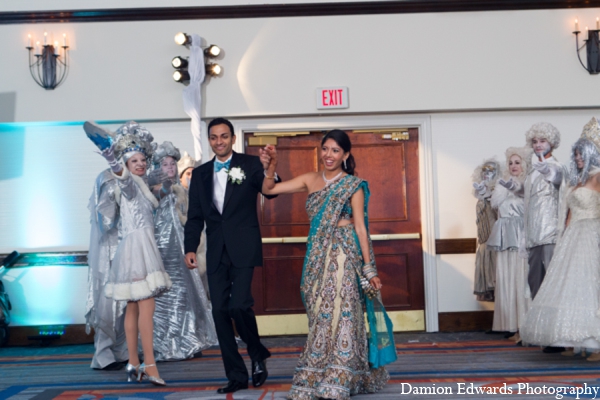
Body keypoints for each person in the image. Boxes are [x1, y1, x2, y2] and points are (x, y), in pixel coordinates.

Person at [262, 129, 396, 400]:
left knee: (343, 312)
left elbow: (360, 228)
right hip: (317, 256)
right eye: (326, 149)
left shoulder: (353, 185)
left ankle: (342, 375)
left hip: (346, 254)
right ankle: (315, 374)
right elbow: (270, 189)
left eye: (336, 150)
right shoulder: (310, 179)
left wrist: (369, 268)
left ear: (345, 155)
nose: (329, 155)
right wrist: (272, 167)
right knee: (321, 315)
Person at [183, 117, 276, 394]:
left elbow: (269, 191)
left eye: (224, 136)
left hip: (245, 248)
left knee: (239, 305)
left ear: (233, 138)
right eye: (214, 137)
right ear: (209, 140)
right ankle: (236, 375)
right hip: (216, 252)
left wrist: (270, 168)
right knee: (220, 312)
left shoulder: (249, 164)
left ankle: (257, 352)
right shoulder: (199, 174)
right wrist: (190, 247)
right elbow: (195, 216)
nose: (219, 141)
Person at [91, 121, 172, 386]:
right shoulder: (127, 183)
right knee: (145, 307)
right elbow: (122, 178)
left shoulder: (142, 185)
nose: (139, 164)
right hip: (137, 251)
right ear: (125, 164)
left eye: (142, 160)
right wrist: (113, 160)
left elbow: (157, 193)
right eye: (133, 160)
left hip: (135, 249)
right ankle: (150, 365)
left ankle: (134, 363)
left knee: (134, 309)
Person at [521, 117, 600, 360]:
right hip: (572, 234)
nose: (577, 159)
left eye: (580, 155)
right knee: (569, 284)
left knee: (590, 285)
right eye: (575, 155)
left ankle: (595, 342)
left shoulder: (598, 177)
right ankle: (571, 339)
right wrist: (563, 235)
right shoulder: (575, 180)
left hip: (592, 233)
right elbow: (566, 211)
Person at [150, 141, 218, 361]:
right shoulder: (152, 187)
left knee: (184, 293)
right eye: (165, 164)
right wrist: (168, 185)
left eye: (172, 164)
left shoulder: (182, 191)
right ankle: (165, 345)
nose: (170, 167)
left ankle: (187, 341)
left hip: (179, 246)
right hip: (160, 248)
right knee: (164, 295)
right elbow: (158, 196)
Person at [84, 121, 128, 370]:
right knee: (109, 304)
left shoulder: (130, 177)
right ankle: (102, 355)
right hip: (111, 248)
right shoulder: (107, 179)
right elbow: (105, 220)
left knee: (126, 303)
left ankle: (121, 350)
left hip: (128, 248)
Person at [488, 147, 532, 341]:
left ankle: (524, 325)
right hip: (504, 236)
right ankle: (509, 323)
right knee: (505, 277)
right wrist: (505, 187)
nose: (514, 166)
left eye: (517, 162)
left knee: (520, 277)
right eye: (511, 162)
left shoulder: (529, 183)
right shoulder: (501, 185)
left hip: (521, 235)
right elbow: (495, 204)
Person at [178, 151, 209, 297]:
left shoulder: (203, 194)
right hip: (185, 244)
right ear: (181, 176)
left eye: (194, 174)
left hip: (204, 245)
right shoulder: (176, 196)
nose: (192, 178)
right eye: (188, 174)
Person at [471, 158, 500, 302]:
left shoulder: (498, 195)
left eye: (491, 171)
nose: (486, 174)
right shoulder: (481, 194)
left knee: (498, 286)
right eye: (484, 171)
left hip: (494, 244)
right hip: (483, 242)